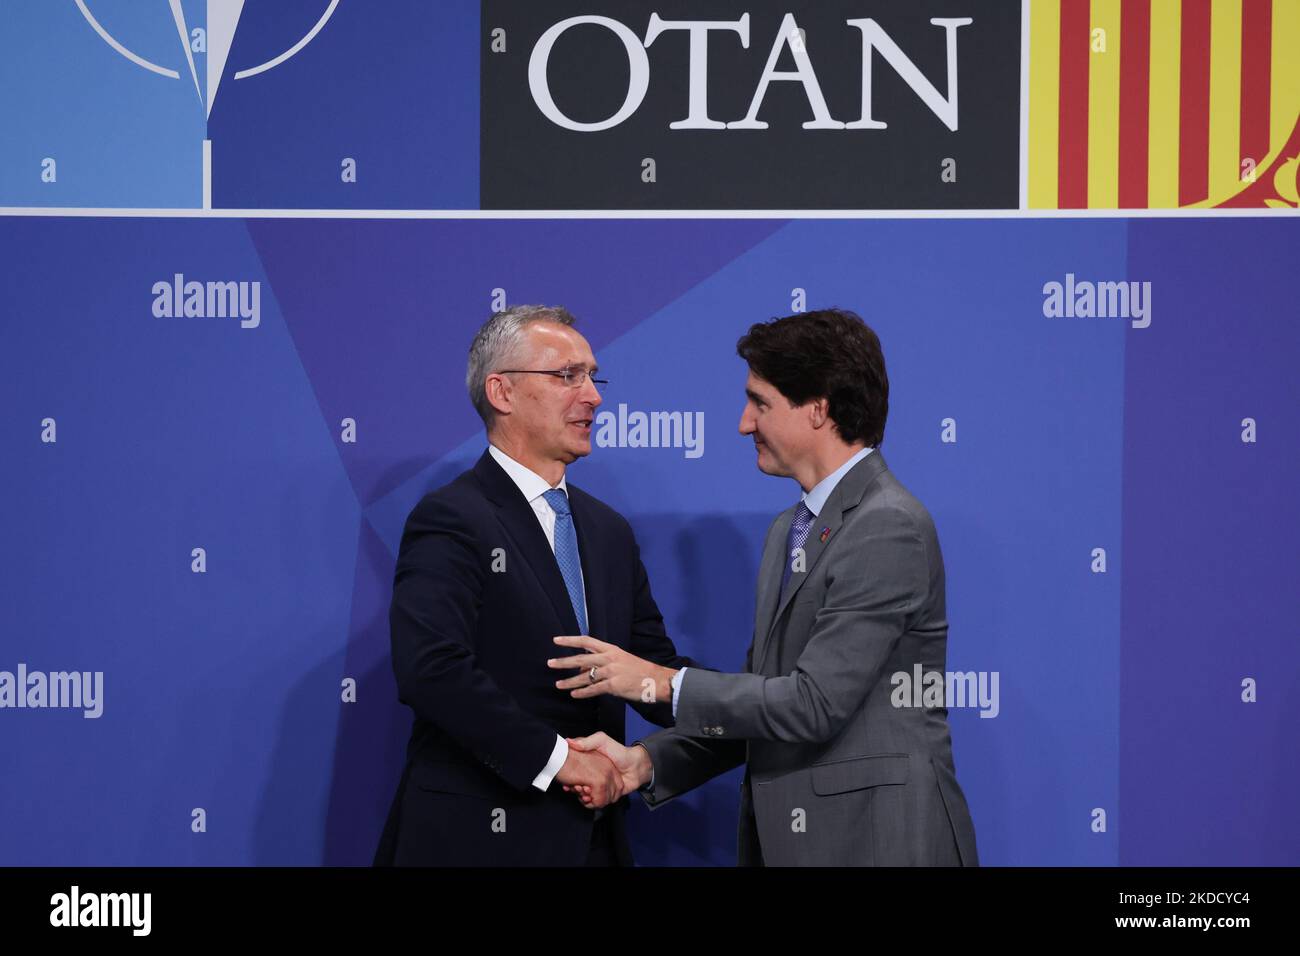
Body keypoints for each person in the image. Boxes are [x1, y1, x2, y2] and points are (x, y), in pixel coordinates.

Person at [550, 308, 979, 866]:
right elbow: (763, 701)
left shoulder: (886, 524)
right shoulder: (788, 530)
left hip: (876, 842)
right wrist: (646, 763)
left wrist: (658, 682)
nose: (743, 423)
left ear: (818, 410)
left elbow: (813, 704)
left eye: (760, 402)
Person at [373, 305, 696, 866]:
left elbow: (650, 669)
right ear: (502, 392)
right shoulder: (453, 517)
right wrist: (561, 761)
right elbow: (431, 668)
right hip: (477, 843)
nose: (593, 396)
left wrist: (750, 709)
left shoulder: (608, 531)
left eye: (594, 377)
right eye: (567, 375)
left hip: (593, 844)